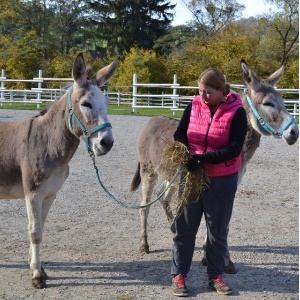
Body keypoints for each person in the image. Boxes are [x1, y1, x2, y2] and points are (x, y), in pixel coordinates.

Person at [171, 68, 247, 296]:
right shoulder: (194, 105)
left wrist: (204, 158)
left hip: (222, 178)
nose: (202, 97)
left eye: (208, 92)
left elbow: (234, 148)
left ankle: (215, 276)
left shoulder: (237, 112)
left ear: (222, 91)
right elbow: (180, 134)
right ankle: (179, 275)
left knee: (217, 230)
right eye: (200, 91)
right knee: (184, 227)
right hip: (192, 174)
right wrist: (185, 154)